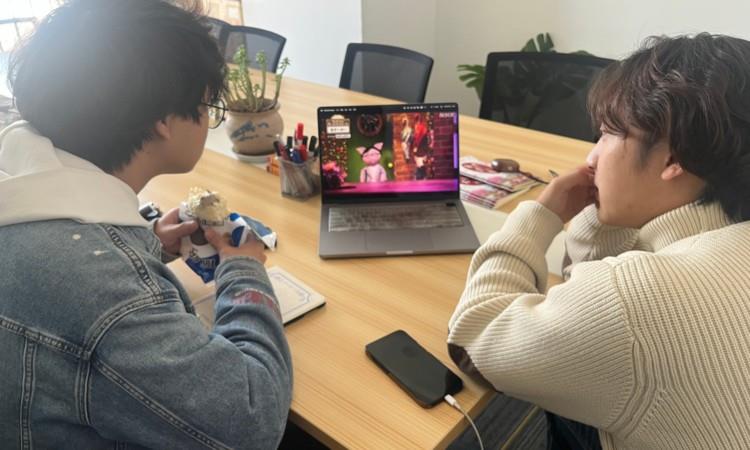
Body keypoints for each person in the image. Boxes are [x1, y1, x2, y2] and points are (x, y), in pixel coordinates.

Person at [0, 1, 292, 448]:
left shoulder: (17, 181)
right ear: (163, 122)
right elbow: (253, 422)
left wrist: (147, 244)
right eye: (209, 106)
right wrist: (245, 270)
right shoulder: (112, 299)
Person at [447, 33, 750, 450]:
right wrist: (605, 211)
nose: (591, 158)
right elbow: (585, 290)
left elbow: (475, 336)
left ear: (673, 158)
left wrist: (540, 215)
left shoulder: (640, 298)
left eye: (607, 134)